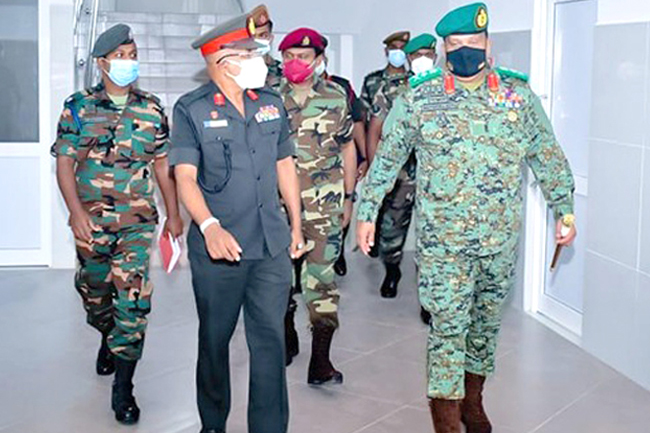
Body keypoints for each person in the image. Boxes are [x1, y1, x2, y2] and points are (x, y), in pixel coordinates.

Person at [357, 4, 577, 433]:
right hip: (444, 246)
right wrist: (367, 212)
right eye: (454, 47)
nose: (463, 54)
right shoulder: (419, 98)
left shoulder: (517, 97)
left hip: (499, 242)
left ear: (488, 46)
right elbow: (387, 159)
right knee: (447, 330)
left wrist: (564, 208)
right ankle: (446, 421)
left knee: (483, 328)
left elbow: (547, 155)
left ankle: (472, 402)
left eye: (472, 45)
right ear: (442, 50)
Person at [170, 12, 305, 433]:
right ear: (222, 60)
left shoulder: (270, 103)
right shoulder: (191, 110)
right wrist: (209, 226)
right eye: (248, 52)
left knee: (270, 341)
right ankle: (213, 423)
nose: (258, 59)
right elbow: (184, 177)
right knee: (215, 340)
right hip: (220, 250)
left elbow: (285, 164)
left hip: (269, 245)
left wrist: (296, 226)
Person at [51, 24, 183, 425]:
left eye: (133, 54)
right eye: (121, 55)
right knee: (94, 292)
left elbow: (162, 163)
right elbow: (64, 162)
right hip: (91, 220)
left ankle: (124, 386)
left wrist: (174, 213)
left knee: (134, 302)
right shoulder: (78, 106)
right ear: (103, 62)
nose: (129, 62)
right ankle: (106, 333)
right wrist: (75, 212)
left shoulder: (151, 107)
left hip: (137, 223)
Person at [278, 28, 357, 381]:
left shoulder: (336, 97)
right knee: (279, 278)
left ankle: (320, 360)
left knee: (321, 279)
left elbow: (348, 148)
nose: (296, 63)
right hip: (277, 205)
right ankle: (284, 334)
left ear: (319, 61)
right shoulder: (268, 99)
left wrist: (349, 197)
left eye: (304, 57)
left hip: (324, 203)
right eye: (289, 56)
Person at [368, 33, 437, 310]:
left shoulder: (449, 87)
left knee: (433, 237)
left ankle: (428, 296)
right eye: (415, 54)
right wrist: (377, 173)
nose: (421, 59)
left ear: (436, 55)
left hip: (438, 177)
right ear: (407, 58)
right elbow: (375, 129)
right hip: (401, 175)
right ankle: (392, 269)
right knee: (392, 229)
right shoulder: (395, 88)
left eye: (427, 54)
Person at [318, 36, 368, 276]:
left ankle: (337, 254)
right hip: (308, 166)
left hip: (340, 163)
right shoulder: (287, 89)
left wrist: (364, 157)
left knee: (342, 213)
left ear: (323, 59)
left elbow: (357, 122)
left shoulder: (341, 86)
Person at [360, 30, 411, 257]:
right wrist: (369, 162)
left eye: (402, 49)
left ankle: (392, 267)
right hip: (383, 155)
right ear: (386, 51)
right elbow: (366, 123)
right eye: (394, 49)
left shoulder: (416, 83)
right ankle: (377, 243)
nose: (398, 53)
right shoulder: (373, 81)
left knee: (398, 216)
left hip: (411, 162)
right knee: (383, 208)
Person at [249, 4, 283, 89]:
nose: (256, 41)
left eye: (262, 36)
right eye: (252, 36)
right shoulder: (238, 70)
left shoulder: (282, 72)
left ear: (271, 38)